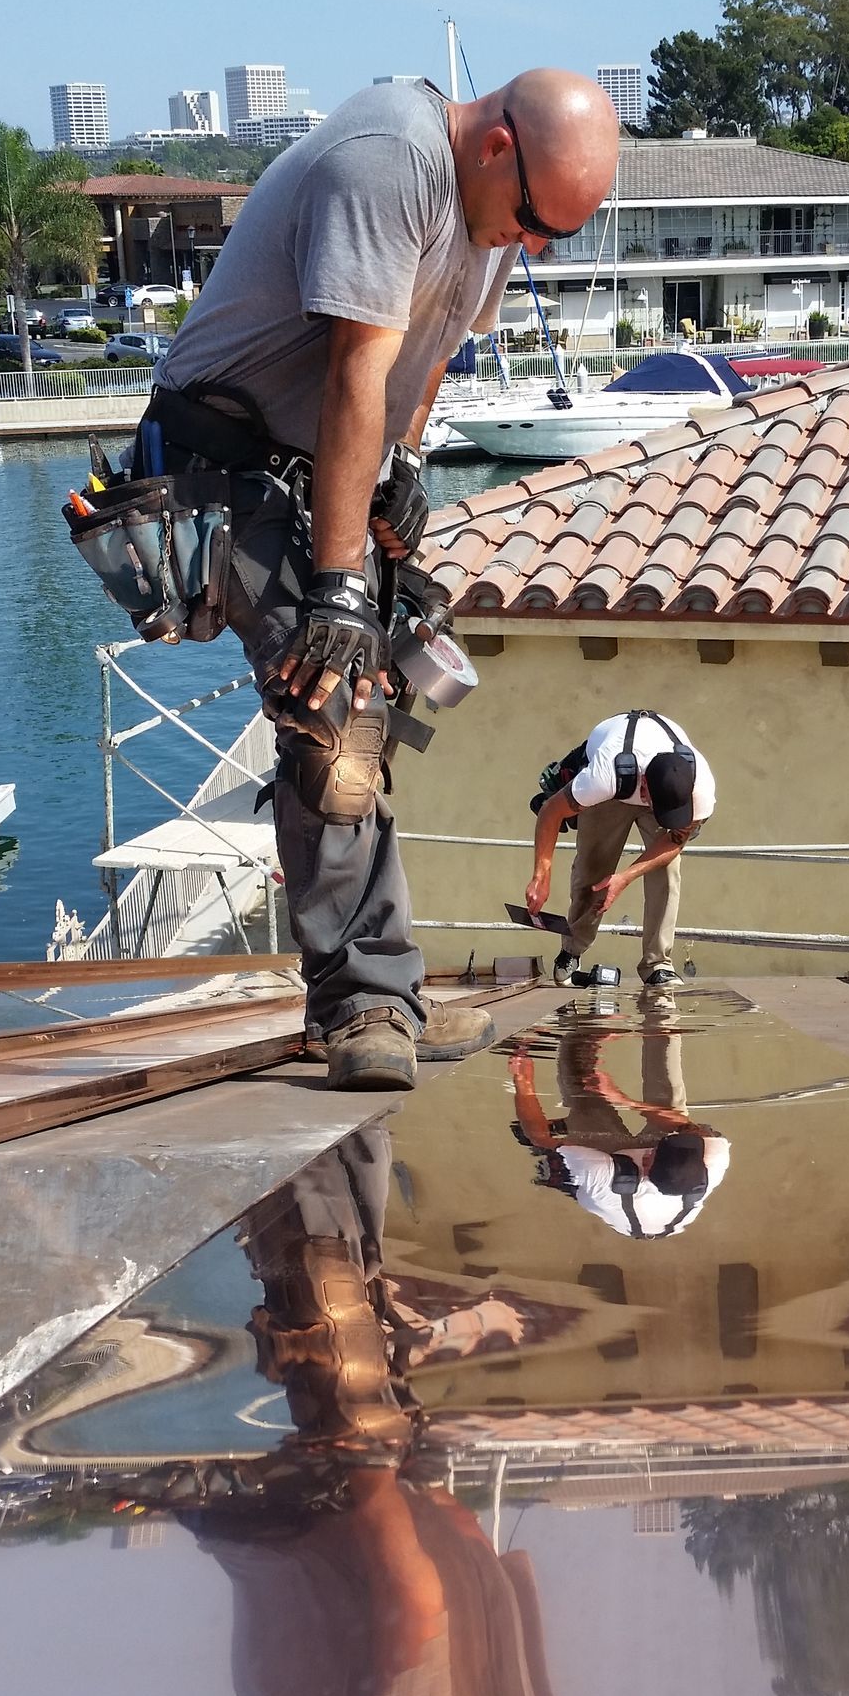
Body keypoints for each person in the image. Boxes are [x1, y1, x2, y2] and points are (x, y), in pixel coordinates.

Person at [146, 67, 620, 1091]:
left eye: (554, 238)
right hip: (222, 463)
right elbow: (357, 367)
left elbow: (425, 359)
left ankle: (383, 994)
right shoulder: (392, 161)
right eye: (534, 220)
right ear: (495, 144)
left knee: (381, 698)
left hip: (314, 467)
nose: (531, 246)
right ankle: (360, 1007)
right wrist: (337, 590)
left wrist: (403, 469)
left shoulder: (490, 210)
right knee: (333, 712)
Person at [200, 1122, 683, 1696]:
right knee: (353, 1146)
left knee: (310, 1204)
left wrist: (356, 1392)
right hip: (372, 1467)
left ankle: (285, 1117)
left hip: (280, 1489)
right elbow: (491, 1599)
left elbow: (405, 1600)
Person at [524, 706, 716, 990]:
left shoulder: (701, 789)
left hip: (651, 785)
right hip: (614, 791)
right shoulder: (604, 775)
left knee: (666, 873)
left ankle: (657, 965)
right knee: (592, 868)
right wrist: (542, 875)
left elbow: (675, 840)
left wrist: (625, 878)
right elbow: (551, 812)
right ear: (645, 785)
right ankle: (571, 951)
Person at [510, 1014, 731, 1240]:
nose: (677, 1136)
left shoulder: (598, 1172)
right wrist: (623, 1099)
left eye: (666, 1141)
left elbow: (539, 1137)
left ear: (647, 1159)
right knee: (668, 1101)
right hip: (648, 1174)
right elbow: (686, 1127)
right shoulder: (714, 1158)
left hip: (615, 1165)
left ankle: (583, 1033)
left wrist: (522, 1079)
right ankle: (660, 1016)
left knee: (584, 1094)